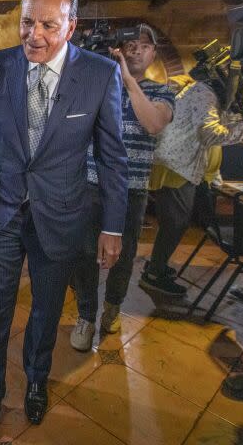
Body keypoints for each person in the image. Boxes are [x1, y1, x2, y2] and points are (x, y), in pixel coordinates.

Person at [0, 0, 128, 443]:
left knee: (46, 310)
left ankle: (36, 379)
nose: (34, 35)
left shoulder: (99, 74)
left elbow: (112, 156)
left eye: (48, 25)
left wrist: (113, 226)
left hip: (61, 215)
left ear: (71, 26)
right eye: (27, 22)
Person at [69, 24, 174, 351]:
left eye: (144, 46)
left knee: (123, 255)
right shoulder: (100, 84)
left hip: (131, 187)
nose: (136, 50)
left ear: (153, 54)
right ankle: (86, 314)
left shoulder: (161, 92)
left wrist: (128, 81)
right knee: (84, 252)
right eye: (130, 44)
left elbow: (154, 124)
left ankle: (112, 306)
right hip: (89, 182)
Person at [143, 63, 243, 296]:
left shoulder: (200, 91)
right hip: (175, 164)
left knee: (174, 222)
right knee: (175, 223)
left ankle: (156, 265)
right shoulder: (204, 94)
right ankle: (154, 273)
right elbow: (209, 132)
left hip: (175, 162)